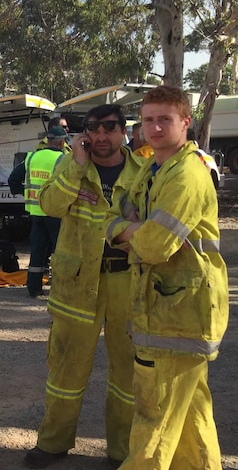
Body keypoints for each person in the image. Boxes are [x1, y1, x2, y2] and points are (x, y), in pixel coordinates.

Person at [105, 85, 228, 470]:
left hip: (177, 316)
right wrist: (128, 228)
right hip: (171, 313)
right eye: (148, 120)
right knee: (192, 420)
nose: (155, 128)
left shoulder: (187, 175)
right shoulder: (153, 167)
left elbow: (155, 246)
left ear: (186, 122)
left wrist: (125, 231)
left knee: (153, 423)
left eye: (164, 120)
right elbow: (117, 211)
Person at [23, 105, 145, 469]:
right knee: (66, 368)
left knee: (128, 372)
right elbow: (49, 205)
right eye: (94, 128)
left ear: (123, 131)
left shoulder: (143, 172)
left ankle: (121, 451)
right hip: (78, 285)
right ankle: (53, 443)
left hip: (127, 280)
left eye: (110, 127)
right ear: (85, 133)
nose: (102, 135)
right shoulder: (71, 163)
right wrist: (75, 167)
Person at [13, 126, 67, 297]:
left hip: (36, 213)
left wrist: (26, 193)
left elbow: (13, 180)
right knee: (60, 252)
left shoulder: (31, 157)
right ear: (61, 141)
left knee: (37, 251)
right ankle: (60, 289)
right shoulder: (62, 159)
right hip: (56, 213)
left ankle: (34, 288)